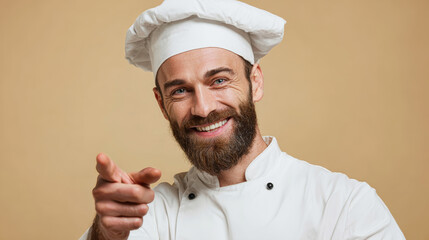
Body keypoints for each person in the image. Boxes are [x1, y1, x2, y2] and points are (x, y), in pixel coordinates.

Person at [81, 0, 405, 239]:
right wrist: (105, 233)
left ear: (256, 82)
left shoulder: (343, 205)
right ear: (161, 104)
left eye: (219, 80)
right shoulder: (150, 215)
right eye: (180, 90)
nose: (204, 108)